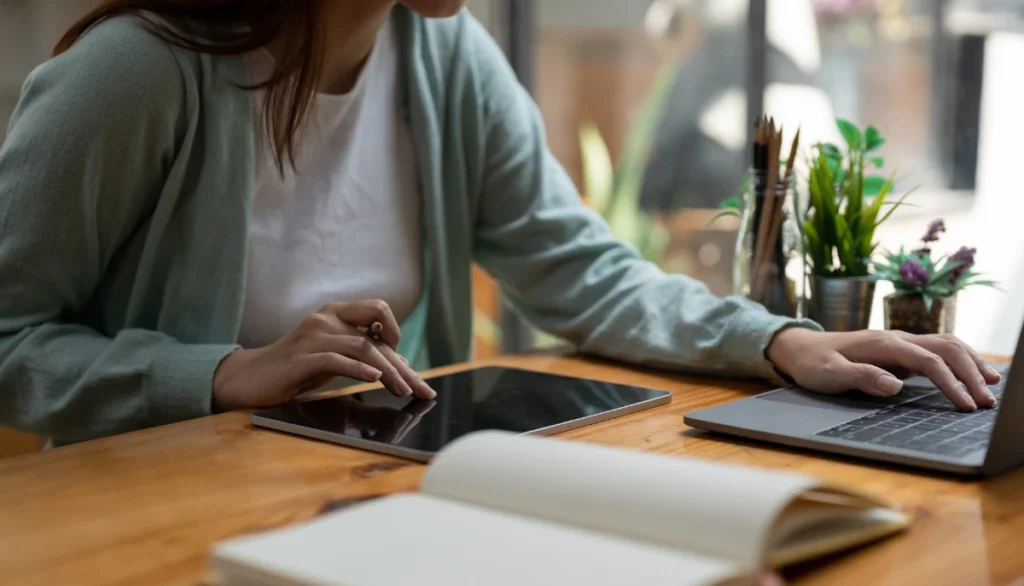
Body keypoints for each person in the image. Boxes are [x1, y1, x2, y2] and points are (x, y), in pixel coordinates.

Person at [0, 0, 999, 446]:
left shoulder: (447, 63)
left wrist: (782, 342)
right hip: (153, 530)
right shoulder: (133, 75)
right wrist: (219, 373)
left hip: (371, 501)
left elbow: (586, 274)